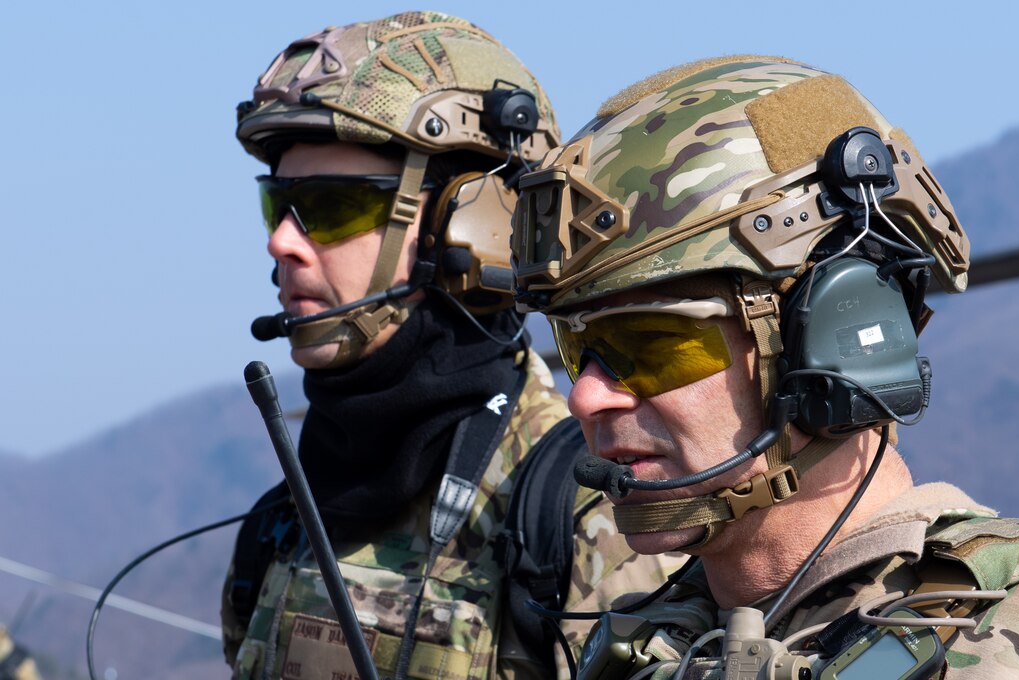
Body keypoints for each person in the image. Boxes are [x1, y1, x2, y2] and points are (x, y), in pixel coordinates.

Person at [510, 56, 1019, 679]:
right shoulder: (641, 647)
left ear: (832, 341)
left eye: (652, 344)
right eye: (577, 350)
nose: (586, 398)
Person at [220, 12, 683, 680]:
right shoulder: (282, 523)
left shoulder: (589, 525)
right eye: (277, 206)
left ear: (474, 225)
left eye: (330, 206)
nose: (282, 242)